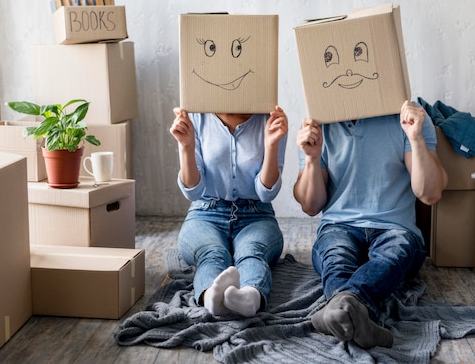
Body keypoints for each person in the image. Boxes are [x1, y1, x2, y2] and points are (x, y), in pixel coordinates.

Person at [293, 99, 448, 348]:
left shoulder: (409, 116)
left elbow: (430, 194)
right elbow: (311, 206)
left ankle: (339, 308)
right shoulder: (318, 120)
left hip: (395, 227)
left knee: (393, 254)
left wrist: (416, 138)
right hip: (339, 226)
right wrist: (312, 158)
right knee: (335, 256)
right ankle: (359, 316)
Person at [169, 106, 288, 317]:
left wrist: (271, 145)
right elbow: (193, 191)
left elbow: (266, 193)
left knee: (252, 251)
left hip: (256, 213)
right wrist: (186, 146)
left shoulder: (270, 118)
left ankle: (250, 298)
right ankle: (211, 298)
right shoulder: (196, 116)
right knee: (211, 253)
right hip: (206, 212)